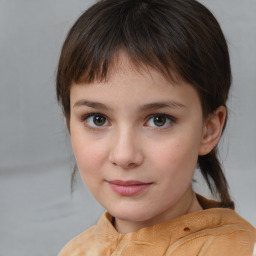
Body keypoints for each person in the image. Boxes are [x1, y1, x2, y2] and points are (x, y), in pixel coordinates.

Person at [56, 0, 256, 255]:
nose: (124, 155)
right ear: (70, 126)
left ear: (209, 129)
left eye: (159, 120)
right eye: (97, 119)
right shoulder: (74, 251)